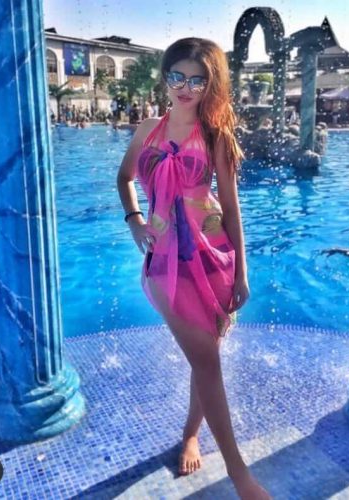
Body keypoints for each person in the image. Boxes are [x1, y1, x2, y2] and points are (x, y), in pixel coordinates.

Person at [116, 37, 270, 500]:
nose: (185, 88)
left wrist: (242, 273)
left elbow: (232, 209)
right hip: (164, 263)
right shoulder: (148, 130)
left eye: (197, 80)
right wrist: (135, 220)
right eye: (177, 77)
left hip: (214, 258)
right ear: (165, 78)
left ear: (210, 85)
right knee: (206, 360)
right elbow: (124, 178)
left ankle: (190, 433)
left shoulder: (216, 136)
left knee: (206, 359)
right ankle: (240, 476)